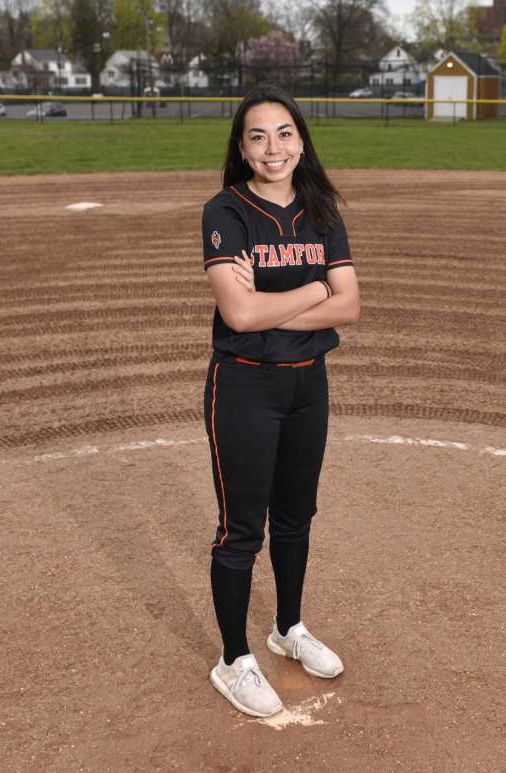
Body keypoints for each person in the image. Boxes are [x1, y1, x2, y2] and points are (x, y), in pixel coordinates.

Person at [200, 84, 361, 717]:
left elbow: (350, 306)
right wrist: (316, 289)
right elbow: (238, 316)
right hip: (244, 386)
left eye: (285, 133)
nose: (274, 147)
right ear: (242, 148)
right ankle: (233, 659)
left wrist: (271, 304)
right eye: (258, 136)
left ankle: (287, 628)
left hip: (307, 384)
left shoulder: (321, 208)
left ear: (301, 141)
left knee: (296, 516)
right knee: (242, 530)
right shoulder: (226, 211)